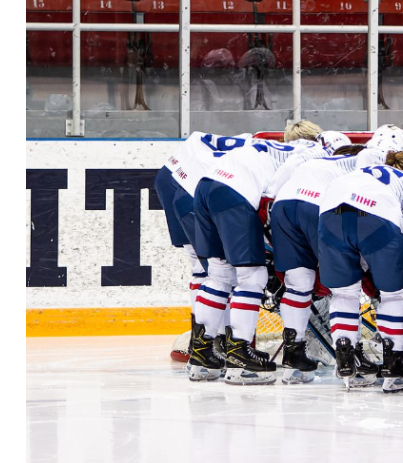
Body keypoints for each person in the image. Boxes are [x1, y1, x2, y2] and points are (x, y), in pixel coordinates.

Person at [189, 135, 324, 384]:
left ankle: (201, 352)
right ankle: (239, 351)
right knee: (253, 276)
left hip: (205, 187)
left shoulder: (276, 146)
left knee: (219, 273)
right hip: (235, 193)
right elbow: (278, 187)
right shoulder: (314, 153)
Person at [268, 133, 389, 383]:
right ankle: (351, 354)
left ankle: (294, 353)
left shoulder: (318, 160)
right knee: (345, 286)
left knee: (298, 283)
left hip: (283, 205)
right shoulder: (364, 164)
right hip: (317, 205)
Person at [317, 140, 403, 389]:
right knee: (394, 296)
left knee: (343, 294)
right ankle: (394, 366)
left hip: (330, 214)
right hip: (376, 216)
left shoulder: (354, 171)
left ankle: (346, 355)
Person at [155, 131, 255, 364]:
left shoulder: (259, 145)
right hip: (186, 184)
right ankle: (215, 340)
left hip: (178, 177)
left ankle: (209, 339)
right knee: (218, 269)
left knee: (209, 269)